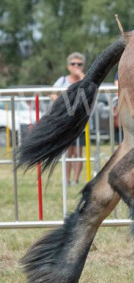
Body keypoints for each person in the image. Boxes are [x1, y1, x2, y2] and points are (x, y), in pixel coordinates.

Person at [50, 52, 87, 186]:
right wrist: (63, 102)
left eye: (79, 64)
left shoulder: (85, 79)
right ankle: (66, 180)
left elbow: (89, 88)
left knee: (78, 152)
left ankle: (76, 180)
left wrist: (82, 76)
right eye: (73, 64)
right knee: (68, 152)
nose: (76, 66)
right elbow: (52, 94)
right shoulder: (62, 80)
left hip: (81, 120)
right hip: (65, 121)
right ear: (68, 66)